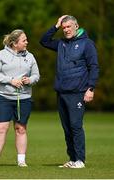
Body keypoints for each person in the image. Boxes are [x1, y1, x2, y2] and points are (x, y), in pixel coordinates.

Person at [40, 15, 99, 168]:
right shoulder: (61, 43)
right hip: (61, 92)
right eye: (64, 27)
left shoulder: (87, 44)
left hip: (78, 92)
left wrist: (90, 88)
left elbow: (94, 67)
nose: (66, 30)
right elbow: (44, 41)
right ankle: (72, 159)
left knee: (75, 126)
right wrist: (56, 26)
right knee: (67, 128)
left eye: (68, 27)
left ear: (76, 26)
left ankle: (80, 160)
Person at [0, 29, 40, 168]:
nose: (27, 42)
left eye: (26, 39)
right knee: (1, 128)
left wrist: (29, 80)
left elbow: (36, 75)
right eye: (24, 40)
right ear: (15, 43)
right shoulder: (0, 55)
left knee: (21, 129)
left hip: (24, 98)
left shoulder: (30, 56)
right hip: (3, 97)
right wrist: (11, 80)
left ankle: (21, 161)